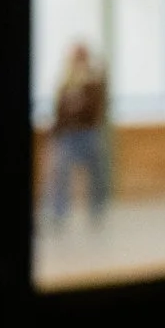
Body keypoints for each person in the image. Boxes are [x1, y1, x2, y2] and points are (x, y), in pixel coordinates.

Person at [49, 42, 111, 227]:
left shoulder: (93, 81)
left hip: (89, 133)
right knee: (60, 173)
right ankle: (58, 213)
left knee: (97, 174)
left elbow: (96, 106)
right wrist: (55, 135)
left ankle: (97, 211)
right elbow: (59, 111)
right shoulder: (65, 82)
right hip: (68, 135)